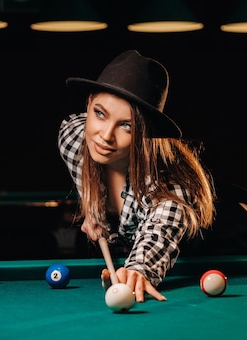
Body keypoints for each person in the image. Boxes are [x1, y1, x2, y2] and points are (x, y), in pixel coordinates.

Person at [58, 50, 216, 303]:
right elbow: (84, 167)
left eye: (127, 126)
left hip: (209, 255)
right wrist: (92, 204)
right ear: (88, 104)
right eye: (100, 113)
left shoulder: (167, 189)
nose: (105, 135)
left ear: (147, 133)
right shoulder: (74, 139)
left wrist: (137, 272)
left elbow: (159, 233)